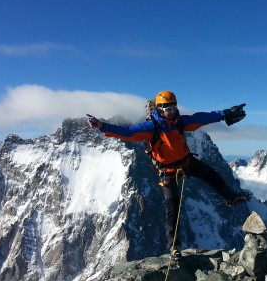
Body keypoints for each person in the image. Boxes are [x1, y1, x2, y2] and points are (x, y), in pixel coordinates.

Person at [87, 90, 251, 261]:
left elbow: (201, 118)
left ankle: (231, 198)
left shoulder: (180, 122)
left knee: (211, 174)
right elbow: (128, 132)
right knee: (172, 207)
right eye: (167, 108)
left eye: (173, 107)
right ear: (159, 109)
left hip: (187, 162)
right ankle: (174, 247)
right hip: (167, 172)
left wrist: (225, 113)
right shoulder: (151, 127)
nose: (172, 111)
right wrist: (103, 126)